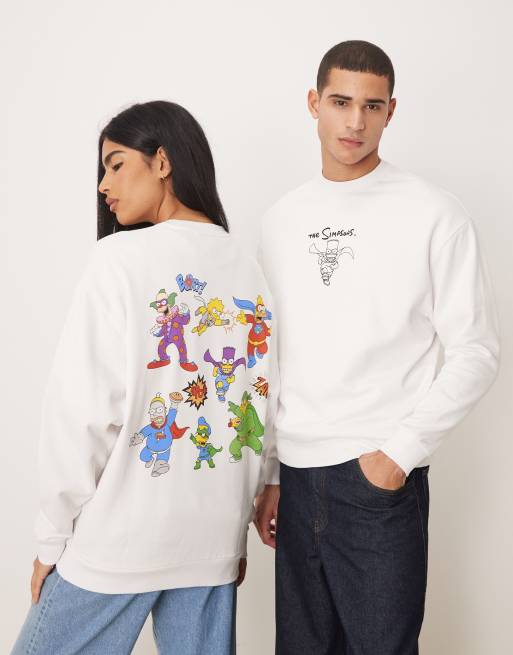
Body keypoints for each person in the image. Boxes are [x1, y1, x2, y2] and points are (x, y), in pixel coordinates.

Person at [254, 40, 501, 655]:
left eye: (372, 106)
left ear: (392, 111)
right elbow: (274, 356)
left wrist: (396, 456)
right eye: (340, 102)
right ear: (313, 103)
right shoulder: (280, 221)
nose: (355, 122)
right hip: (297, 478)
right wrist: (273, 471)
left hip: (377, 478)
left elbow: (476, 349)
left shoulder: (433, 213)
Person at [11, 100, 276, 655]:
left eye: (116, 165)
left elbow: (80, 412)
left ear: (162, 161)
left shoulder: (118, 259)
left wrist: (51, 537)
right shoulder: (248, 267)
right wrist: (244, 515)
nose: (103, 186)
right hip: (211, 543)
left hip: (120, 543)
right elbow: (264, 400)